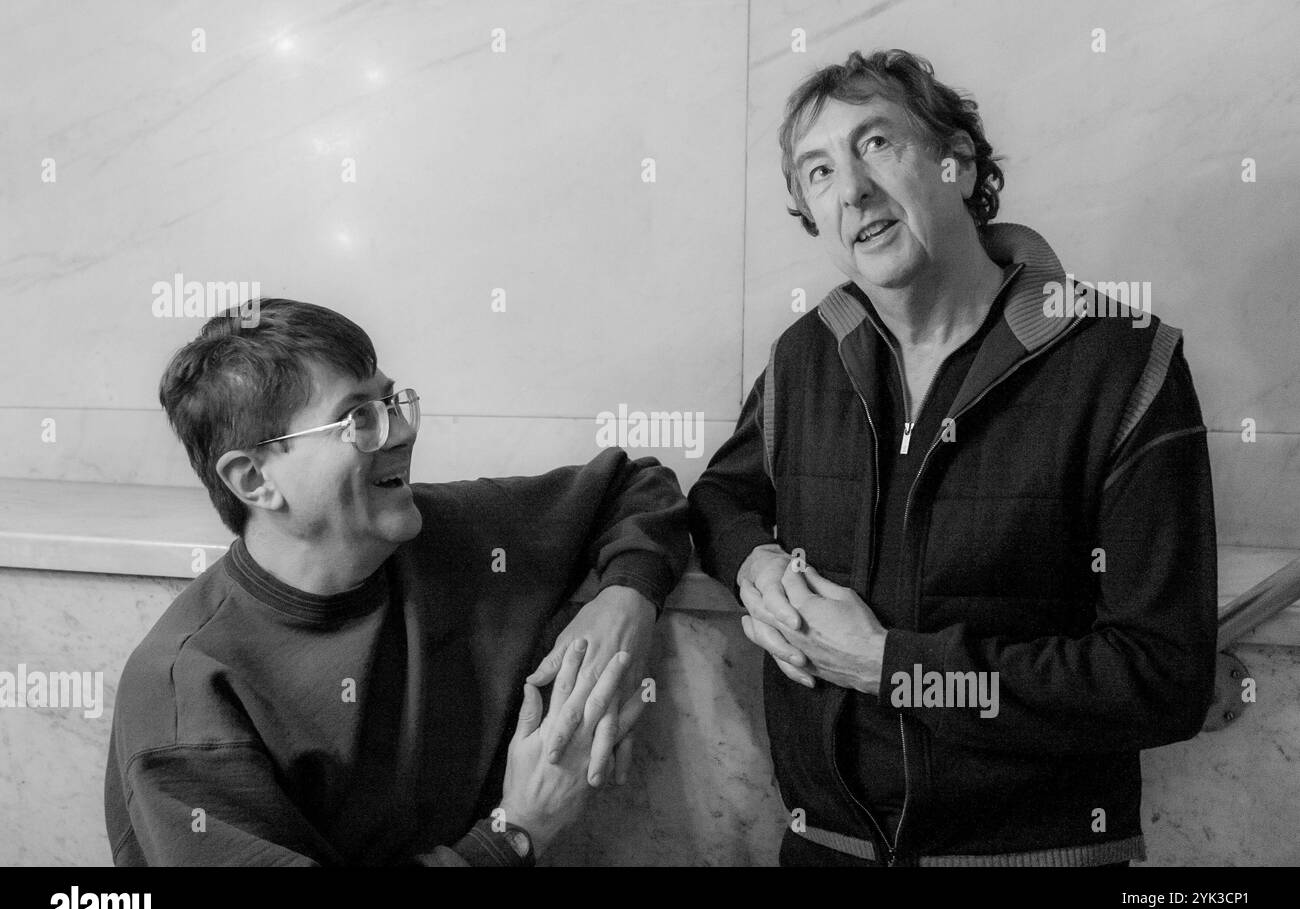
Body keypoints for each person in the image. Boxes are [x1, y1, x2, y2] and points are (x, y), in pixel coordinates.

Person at [689, 50, 1217, 866]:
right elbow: (720, 498)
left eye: (876, 145)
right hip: (825, 848)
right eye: (818, 172)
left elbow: (1159, 679)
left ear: (957, 163)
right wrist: (753, 561)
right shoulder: (807, 356)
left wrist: (894, 668)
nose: (853, 190)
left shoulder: (1122, 365)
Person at [105, 298, 691, 866]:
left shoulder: (445, 534)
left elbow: (635, 487)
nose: (401, 432)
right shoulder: (186, 697)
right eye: (359, 418)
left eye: (393, 402)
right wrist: (516, 832)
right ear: (254, 479)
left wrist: (626, 604)